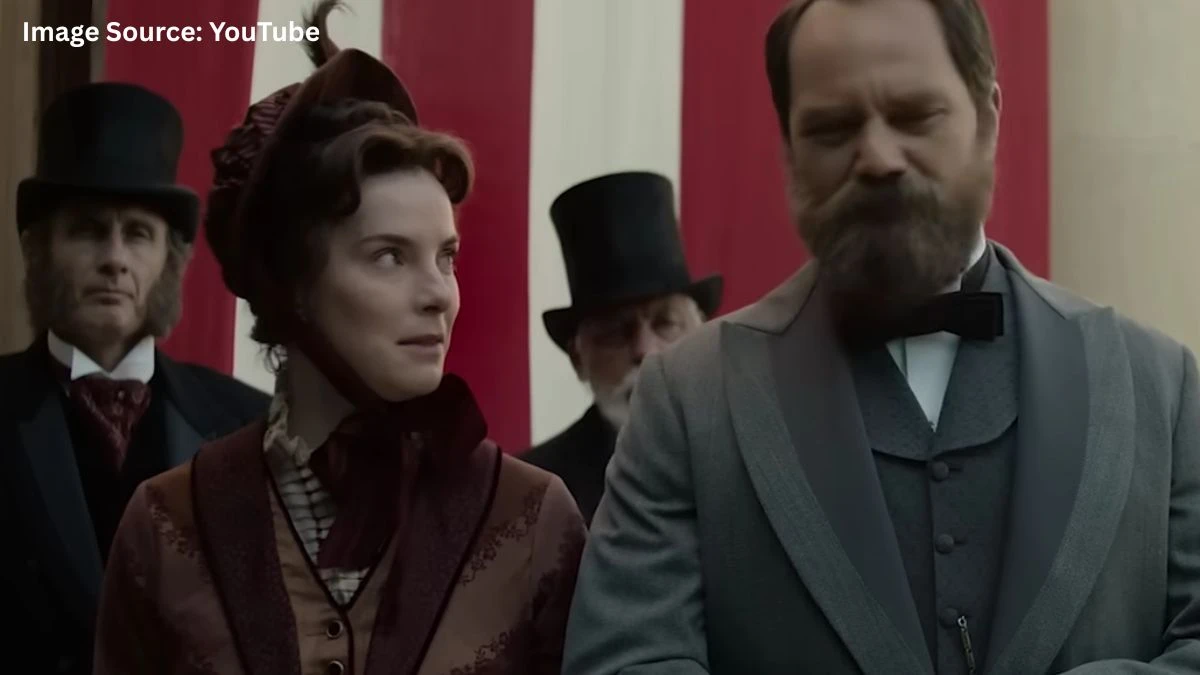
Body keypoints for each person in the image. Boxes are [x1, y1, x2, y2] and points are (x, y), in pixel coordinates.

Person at [563, 0, 1200, 673]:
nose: (877, 157)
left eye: (915, 116)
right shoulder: (687, 403)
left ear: (988, 119)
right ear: (790, 152)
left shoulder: (1161, 389)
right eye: (833, 128)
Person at [91, 3, 586, 673]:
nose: (439, 293)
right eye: (390, 256)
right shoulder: (165, 525)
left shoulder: (532, 518)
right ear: (293, 282)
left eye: (446, 257)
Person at [0, 82, 269, 674]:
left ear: (171, 260)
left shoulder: (250, 426)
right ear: (38, 248)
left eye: (139, 234)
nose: (115, 259)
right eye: (88, 230)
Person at [522, 171, 722, 524]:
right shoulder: (531, 494)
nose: (645, 350)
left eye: (665, 323)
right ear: (578, 358)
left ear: (701, 334)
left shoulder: (756, 457)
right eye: (616, 332)